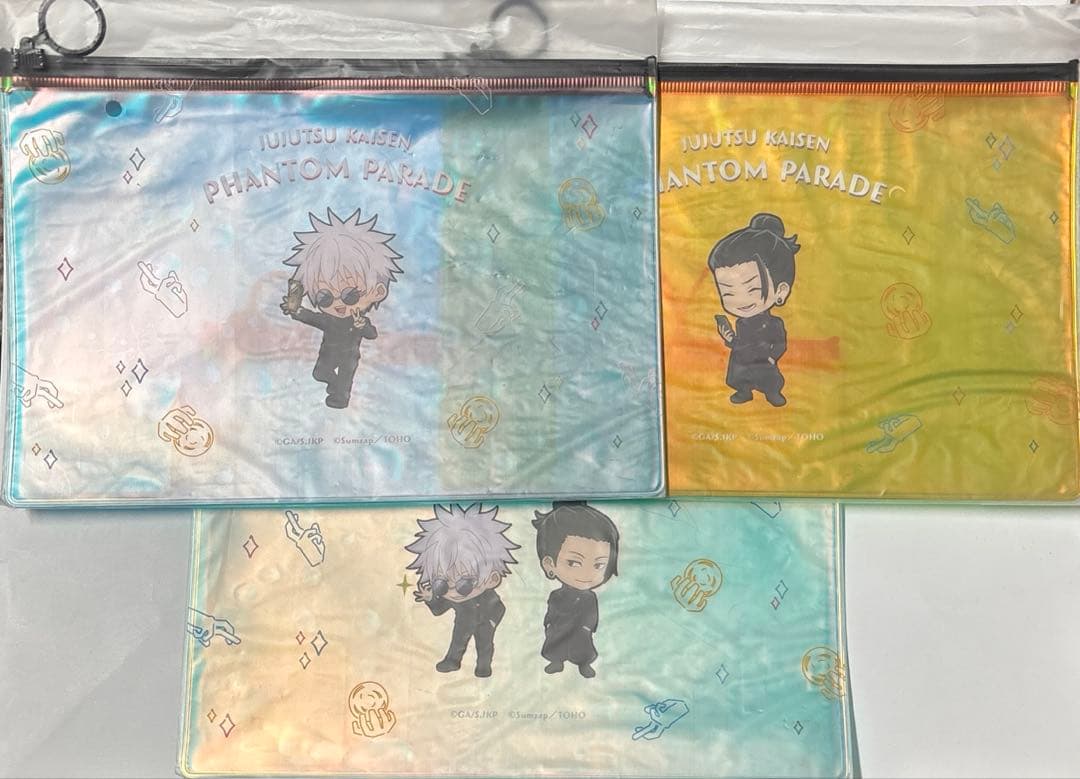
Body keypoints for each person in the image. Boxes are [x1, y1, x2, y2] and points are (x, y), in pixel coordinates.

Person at [279, 207, 403, 409]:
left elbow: (371, 334)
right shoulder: (329, 319)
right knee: (319, 373)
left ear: (377, 291)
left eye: (349, 295)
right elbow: (312, 317)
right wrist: (296, 310)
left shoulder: (357, 320)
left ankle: (340, 399)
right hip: (328, 353)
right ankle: (335, 386)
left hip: (349, 356)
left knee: (345, 380)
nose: (338, 303)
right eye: (325, 297)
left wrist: (362, 325)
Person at [405, 503, 520, 678]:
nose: (452, 590)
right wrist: (430, 597)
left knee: (485, 644)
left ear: (492, 579)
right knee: (457, 642)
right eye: (441, 583)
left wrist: (492, 622)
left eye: (464, 584)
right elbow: (439, 609)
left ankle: (483, 666)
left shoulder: (489, 595)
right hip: (463, 623)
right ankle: (452, 661)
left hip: (486, 620)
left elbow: (499, 607)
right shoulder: (451, 597)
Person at [708, 212, 800, 407]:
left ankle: (772, 393)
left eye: (751, 289)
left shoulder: (774, 323)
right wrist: (729, 338)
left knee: (770, 381)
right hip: (742, 362)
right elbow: (739, 343)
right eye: (728, 293)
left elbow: (780, 343)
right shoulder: (741, 322)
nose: (741, 300)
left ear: (781, 291)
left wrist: (772, 357)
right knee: (739, 377)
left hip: (764, 362)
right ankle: (744, 391)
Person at [532, 502, 620, 679]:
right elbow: (551, 610)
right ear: (549, 565)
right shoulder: (556, 595)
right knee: (556, 646)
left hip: (581, 630)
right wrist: (548, 624)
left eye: (599, 565)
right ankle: (556, 662)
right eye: (573, 563)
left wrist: (589, 627)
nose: (587, 574)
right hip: (558, 628)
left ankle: (584, 664)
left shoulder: (590, 597)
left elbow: (593, 614)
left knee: (583, 649)